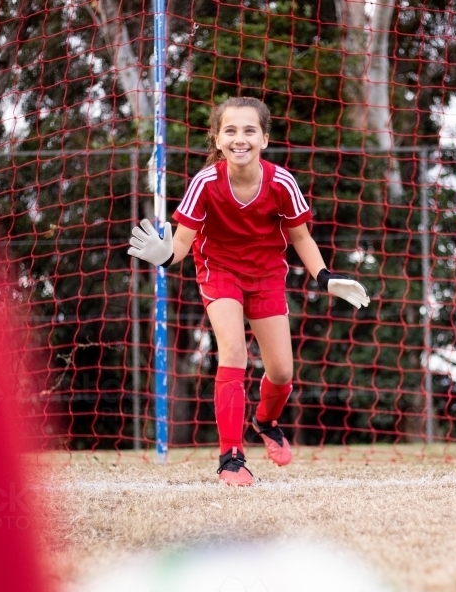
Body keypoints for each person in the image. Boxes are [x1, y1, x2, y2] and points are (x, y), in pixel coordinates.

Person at [128, 96, 369, 486]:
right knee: (234, 352)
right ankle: (230, 456)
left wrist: (325, 277)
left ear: (265, 138)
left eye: (249, 130)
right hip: (220, 272)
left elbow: (301, 237)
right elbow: (181, 248)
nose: (240, 138)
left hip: (267, 276)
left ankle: (266, 421)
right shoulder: (205, 183)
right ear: (218, 139)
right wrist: (163, 257)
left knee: (282, 371)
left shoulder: (281, 182)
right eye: (231, 130)